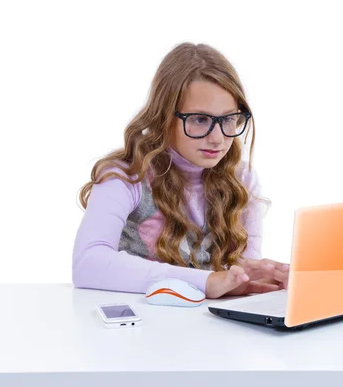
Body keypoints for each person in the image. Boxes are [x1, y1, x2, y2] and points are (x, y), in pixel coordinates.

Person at [72, 42, 289, 299]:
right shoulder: (126, 176)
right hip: (139, 330)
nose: (218, 138)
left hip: (211, 331)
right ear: (164, 117)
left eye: (229, 118)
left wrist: (261, 277)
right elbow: (87, 264)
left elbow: (239, 276)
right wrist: (206, 281)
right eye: (200, 119)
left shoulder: (241, 179)